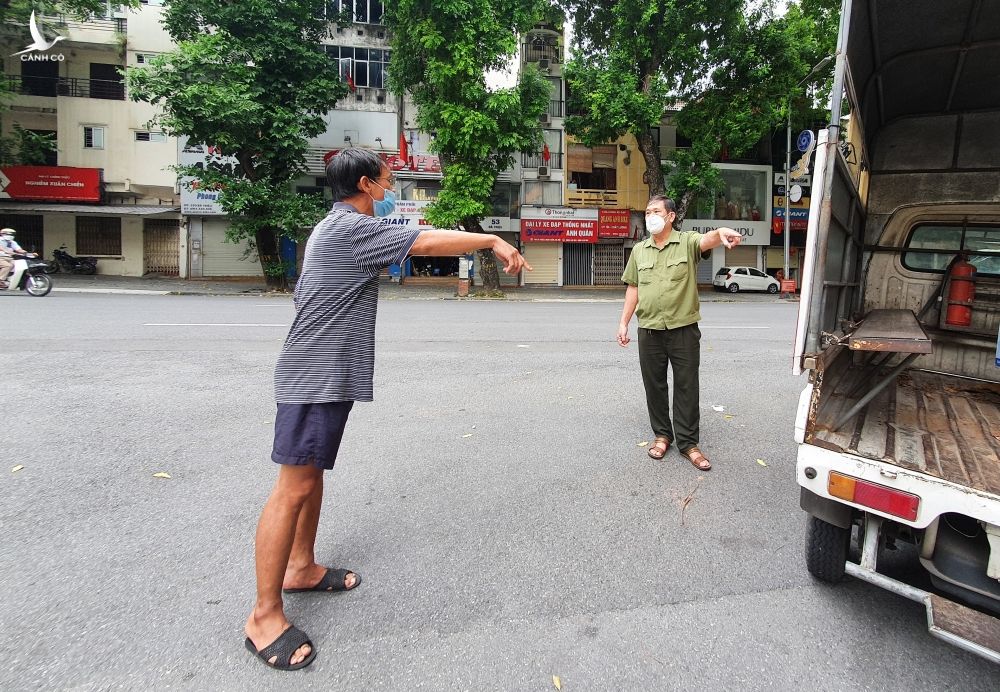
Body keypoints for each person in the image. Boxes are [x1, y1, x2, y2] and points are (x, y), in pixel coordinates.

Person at [244, 148, 532, 671]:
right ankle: (264, 615)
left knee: (311, 477)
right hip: (315, 376)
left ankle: (301, 566)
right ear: (366, 185)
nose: (392, 185)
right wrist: (491, 238)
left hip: (324, 374)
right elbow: (422, 240)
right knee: (292, 487)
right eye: (388, 179)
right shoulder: (350, 228)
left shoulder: (332, 227)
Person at [617, 195, 743, 472]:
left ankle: (688, 444)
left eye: (656, 211)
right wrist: (624, 322)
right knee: (655, 386)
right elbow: (633, 288)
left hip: (683, 329)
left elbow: (706, 240)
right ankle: (662, 435)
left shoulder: (686, 242)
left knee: (687, 386)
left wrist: (720, 232)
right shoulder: (639, 250)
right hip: (648, 329)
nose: (650, 215)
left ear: (671, 216)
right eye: (647, 211)